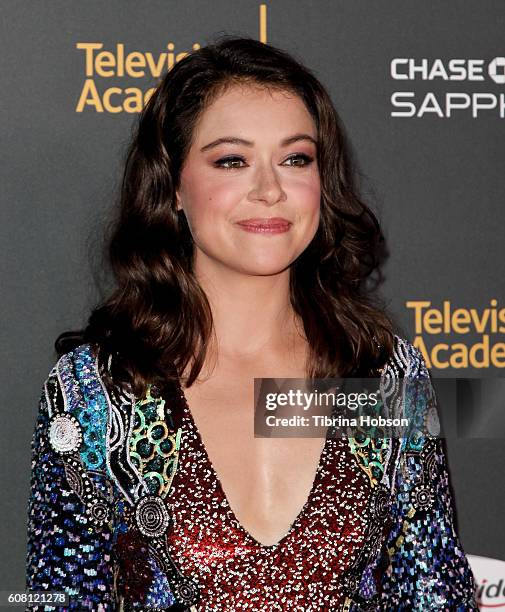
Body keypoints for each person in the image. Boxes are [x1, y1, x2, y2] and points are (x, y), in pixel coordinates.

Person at [25, 35, 477, 611]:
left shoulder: (382, 379)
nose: (270, 190)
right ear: (175, 188)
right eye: (232, 160)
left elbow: (437, 594)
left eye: (295, 159)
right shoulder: (94, 393)